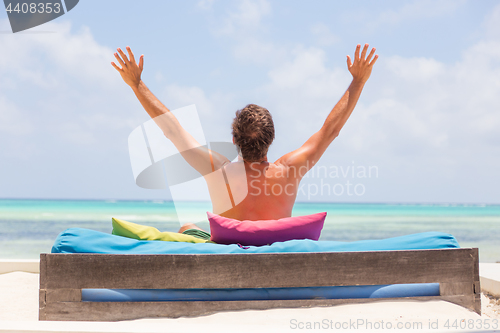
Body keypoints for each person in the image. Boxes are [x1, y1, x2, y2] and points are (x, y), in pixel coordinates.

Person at [112, 44, 378, 239]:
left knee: (185, 228)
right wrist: (358, 81)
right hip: (274, 258)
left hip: (226, 257)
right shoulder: (289, 170)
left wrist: (136, 84)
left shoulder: (217, 170)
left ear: (233, 140)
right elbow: (330, 131)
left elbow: (173, 131)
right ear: (271, 139)